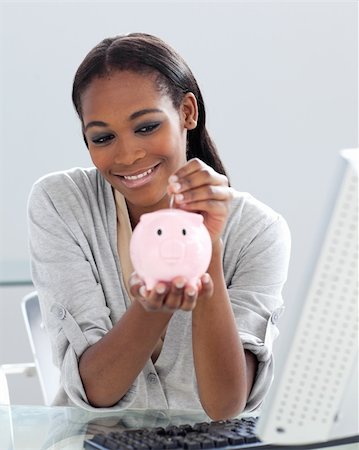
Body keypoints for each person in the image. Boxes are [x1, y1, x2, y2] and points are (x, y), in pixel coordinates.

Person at [28, 33, 291, 420]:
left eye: (146, 127)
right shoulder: (60, 203)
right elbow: (97, 392)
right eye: (103, 137)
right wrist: (151, 306)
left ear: (187, 112)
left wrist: (207, 252)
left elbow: (225, 406)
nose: (128, 154)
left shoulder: (258, 230)